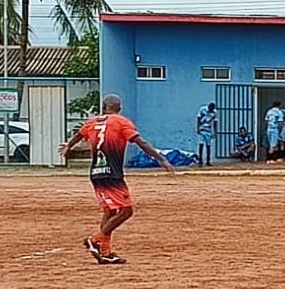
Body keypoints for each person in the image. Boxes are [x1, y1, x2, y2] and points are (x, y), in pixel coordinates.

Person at [59, 94, 175, 265]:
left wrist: (69, 145)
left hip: (96, 173)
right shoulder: (121, 122)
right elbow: (141, 142)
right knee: (127, 211)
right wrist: (161, 159)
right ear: (119, 108)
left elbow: (79, 134)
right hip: (112, 174)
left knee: (110, 211)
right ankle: (95, 239)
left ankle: (105, 252)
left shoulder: (92, 122)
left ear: (103, 107)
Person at [195, 102, 218, 166]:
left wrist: (215, 132)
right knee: (201, 145)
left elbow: (215, 122)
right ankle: (200, 161)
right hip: (202, 129)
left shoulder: (214, 112)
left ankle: (208, 161)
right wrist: (198, 128)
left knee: (208, 146)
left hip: (208, 131)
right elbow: (198, 118)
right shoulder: (202, 109)